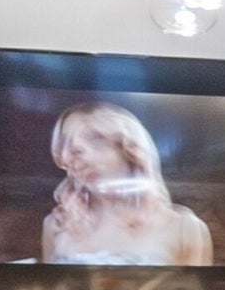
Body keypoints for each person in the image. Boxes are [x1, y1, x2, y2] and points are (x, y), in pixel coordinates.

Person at [40, 100, 214, 266]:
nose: (76, 153)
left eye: (95, 139)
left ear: (131, 151)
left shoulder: (184, 228)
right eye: (67, 143)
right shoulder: (56, 226)